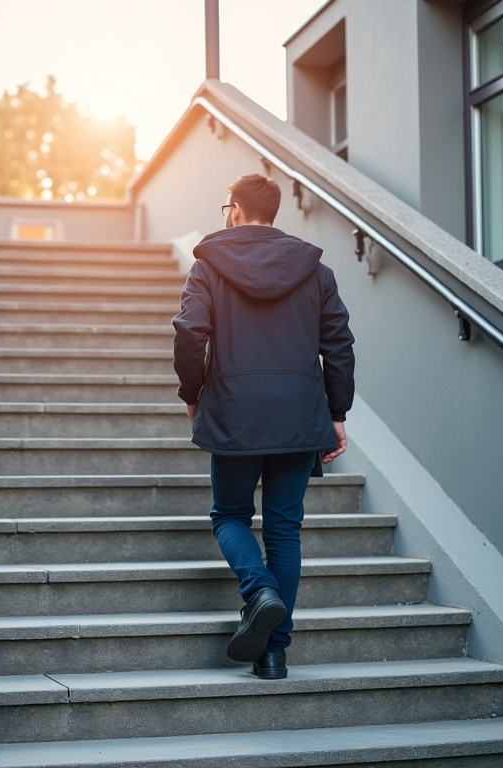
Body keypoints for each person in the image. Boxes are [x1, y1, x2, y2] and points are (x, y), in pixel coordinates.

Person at [172, 173, 355, 680]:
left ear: (234, 209)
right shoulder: (316, 271)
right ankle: (273, 655)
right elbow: (338, 344)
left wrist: (193, 396)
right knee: (284, 531)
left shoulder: (208, 266)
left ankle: (259, 590)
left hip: (234, 412)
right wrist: (337, 413)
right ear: (272, 212)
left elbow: (190, 334)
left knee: (229, 515)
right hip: (299, 416)